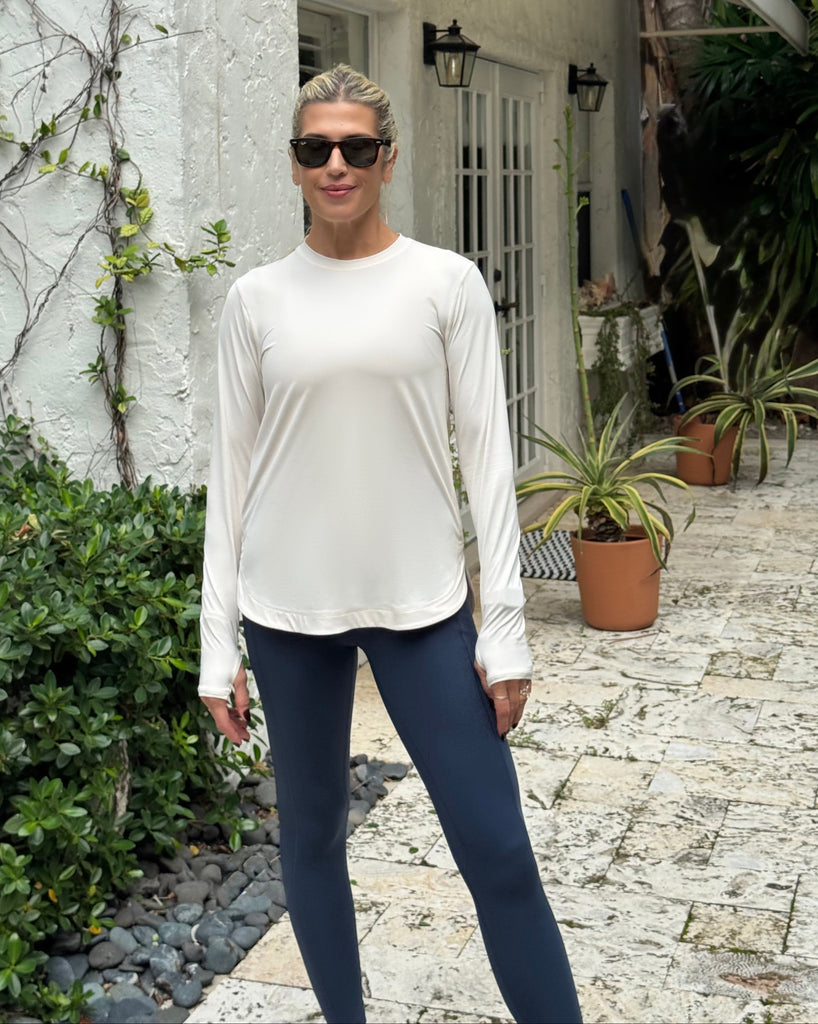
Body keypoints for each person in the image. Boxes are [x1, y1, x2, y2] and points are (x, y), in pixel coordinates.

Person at [198, 63, 581, 1024]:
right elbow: (230, 480)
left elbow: (490, 465)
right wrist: (217, 647)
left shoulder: (445, 284)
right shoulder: (256, 301)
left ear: (388, 158)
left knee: (497, 848)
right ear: (293, 167)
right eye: (314, 149)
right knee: (313, 840)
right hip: (288, 612)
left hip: (421, 607)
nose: (336, 164)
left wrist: (507, 632)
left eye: (355, 147)